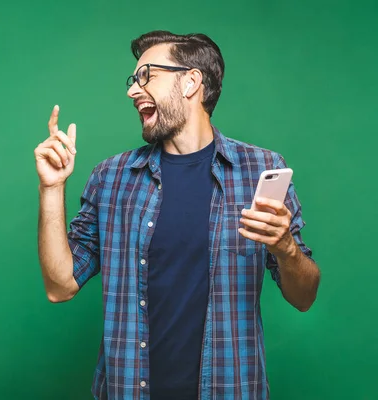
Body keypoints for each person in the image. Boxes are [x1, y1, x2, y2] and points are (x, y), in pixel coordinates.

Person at [34, 30, 320, 400]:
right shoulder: (112, 178)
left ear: (191, 81)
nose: (132, 91)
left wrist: (286, 248)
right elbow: (60, 286)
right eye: (132, 80)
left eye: (145, 76)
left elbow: (304, 297)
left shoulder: (259, 169)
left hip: (230, 389)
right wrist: (52, 188)